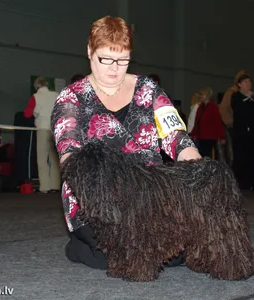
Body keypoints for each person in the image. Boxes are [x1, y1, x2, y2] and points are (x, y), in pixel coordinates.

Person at [51, 16, 201, 270]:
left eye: (122, 60)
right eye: (105, 59)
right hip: (96, 201)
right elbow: (70, 156)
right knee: (119, 254)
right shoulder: (71, 98)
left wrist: (196, 164)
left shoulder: (149, 89)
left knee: (175, 254)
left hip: (148, 196)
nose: (114, 68)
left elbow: (175, 135)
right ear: (90, 51)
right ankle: (81, 243)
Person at [230, 73, 254, 191]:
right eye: (245, 82)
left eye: (249, 82)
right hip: (241, 133)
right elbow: (239, 109)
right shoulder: (236, 96)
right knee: (241, 158)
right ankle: (241, 182)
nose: (248, 84)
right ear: (239, 84)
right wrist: (249, 98)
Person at [24, 77, 60, 193]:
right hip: (55, 129)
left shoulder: (35, 97)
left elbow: (27, 114)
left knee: (42, 159)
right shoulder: (56, 95)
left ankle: (45, 187)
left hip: (43, 128)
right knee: (54, 158)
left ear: (36, 86)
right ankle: (55, 185)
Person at [190, 87, 225, 158]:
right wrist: (193, 134)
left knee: (205, 155)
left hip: (209, 137)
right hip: (201, 137)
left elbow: (218, 123)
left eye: (201, 94)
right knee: (201, 155)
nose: (199, 96)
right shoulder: (200, 107)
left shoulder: (213, 108)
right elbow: (197, 122)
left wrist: (222, 137)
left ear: (207, 95)